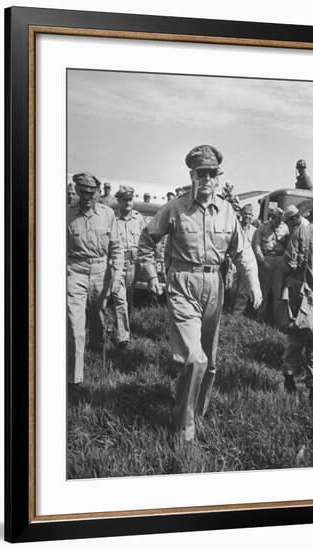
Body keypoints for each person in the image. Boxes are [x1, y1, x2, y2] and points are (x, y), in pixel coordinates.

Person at [137, 145, 262, 447]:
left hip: (214, 286)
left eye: (212, 174)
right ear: (191, 175)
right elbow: (146, 240)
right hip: (182, 283)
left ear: (218, 178)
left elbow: (243, 252)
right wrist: (153, 276)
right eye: (200, 173)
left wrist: (254, 284)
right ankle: (184, 428)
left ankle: (198, 412)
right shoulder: (176, 208)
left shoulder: (228, 211)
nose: (206, 178)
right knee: (194, 359)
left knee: (211, 361)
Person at [67, 172, 124, 385]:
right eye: (83, 192)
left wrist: (117, 275)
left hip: (101, 271)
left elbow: (116, 248)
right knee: (74, 322)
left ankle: (97, 348)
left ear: (98, 193)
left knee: (97, 316)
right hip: (75, 270)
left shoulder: (108, 214)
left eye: (92, 193)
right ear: (76, 191)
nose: (87, 197)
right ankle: (75, 378)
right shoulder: (67, 214)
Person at [282, 198, 313, 403]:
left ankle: (289, 379)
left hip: (302, 291)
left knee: (296, 335)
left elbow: (289, 264)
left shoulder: (302, 231)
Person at [112, 185, 145, 349]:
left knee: (129, 298)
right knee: (120, 299)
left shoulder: (138, 218)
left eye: (130, 199)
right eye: (124, 199)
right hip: (117, 263)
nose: (127, 202)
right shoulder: (113, 218)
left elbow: (145, 240)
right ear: (118, 200)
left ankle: (125, 327)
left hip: (134, 262)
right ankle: (123, 337)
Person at [253, 208, 289, 326]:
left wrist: (284, 261)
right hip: (266, 259)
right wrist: (263, 261)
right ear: (272, 218)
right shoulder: (263, 228)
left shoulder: (285, 228)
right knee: (263, 290)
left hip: (279, 260)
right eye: (277, 219)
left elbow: (288, 245)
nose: (279, 222)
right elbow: (256, 245)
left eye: (281, 220)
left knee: (278, 291)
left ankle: (277, 321)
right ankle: (259, 318)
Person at [231, 204, 258, 316]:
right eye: (245, 214)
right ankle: (229, 306)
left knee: (243, 290)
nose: (247, 216)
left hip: (246, 263)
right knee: (231, 287)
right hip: (234, 262)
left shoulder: (255, 231)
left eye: (250, 214)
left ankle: (236, 314)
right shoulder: (236, 227)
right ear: (241, 214)